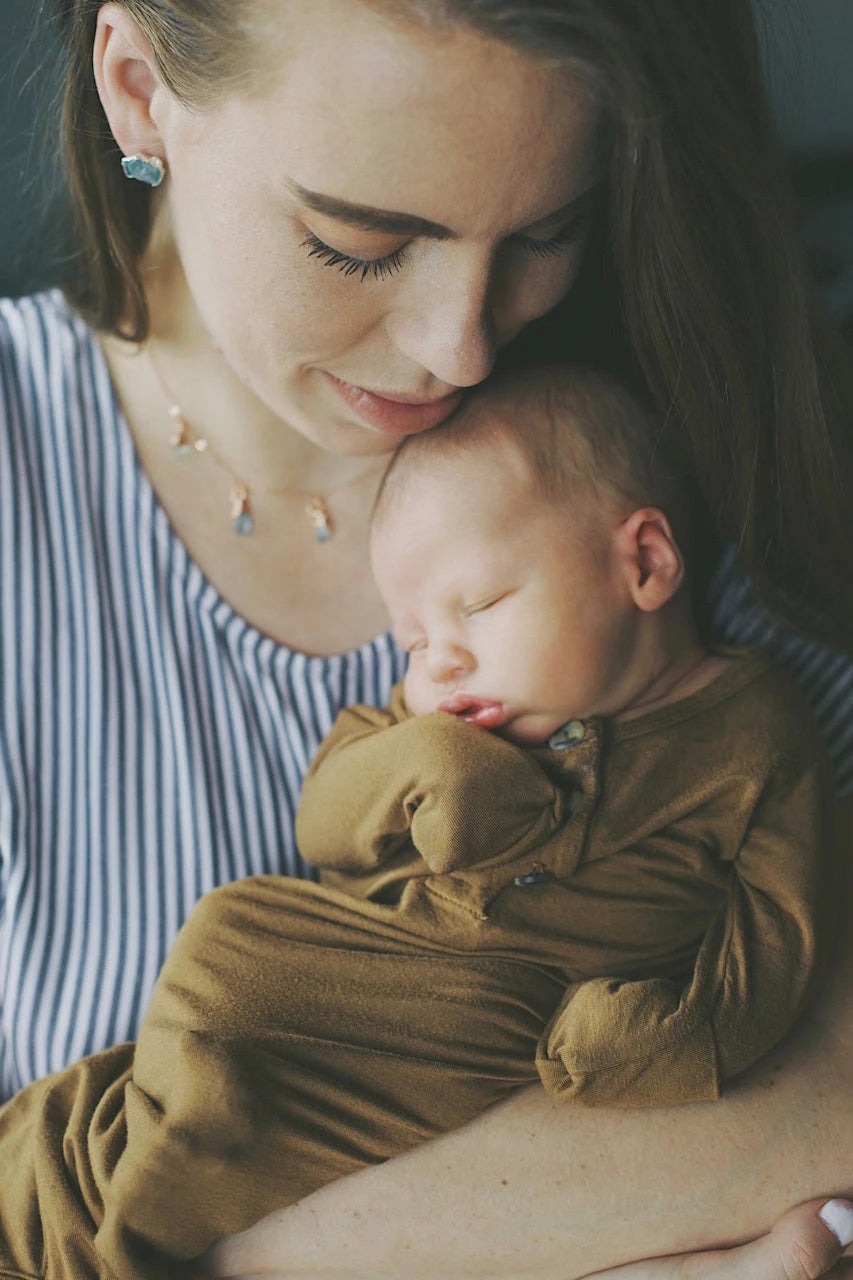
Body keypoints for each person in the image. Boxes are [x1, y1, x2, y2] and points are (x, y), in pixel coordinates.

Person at [0, 0, 850, 1277]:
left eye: (545, 231)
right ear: (137, 91)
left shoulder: (690, 427)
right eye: (357, 243)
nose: (460, 343)